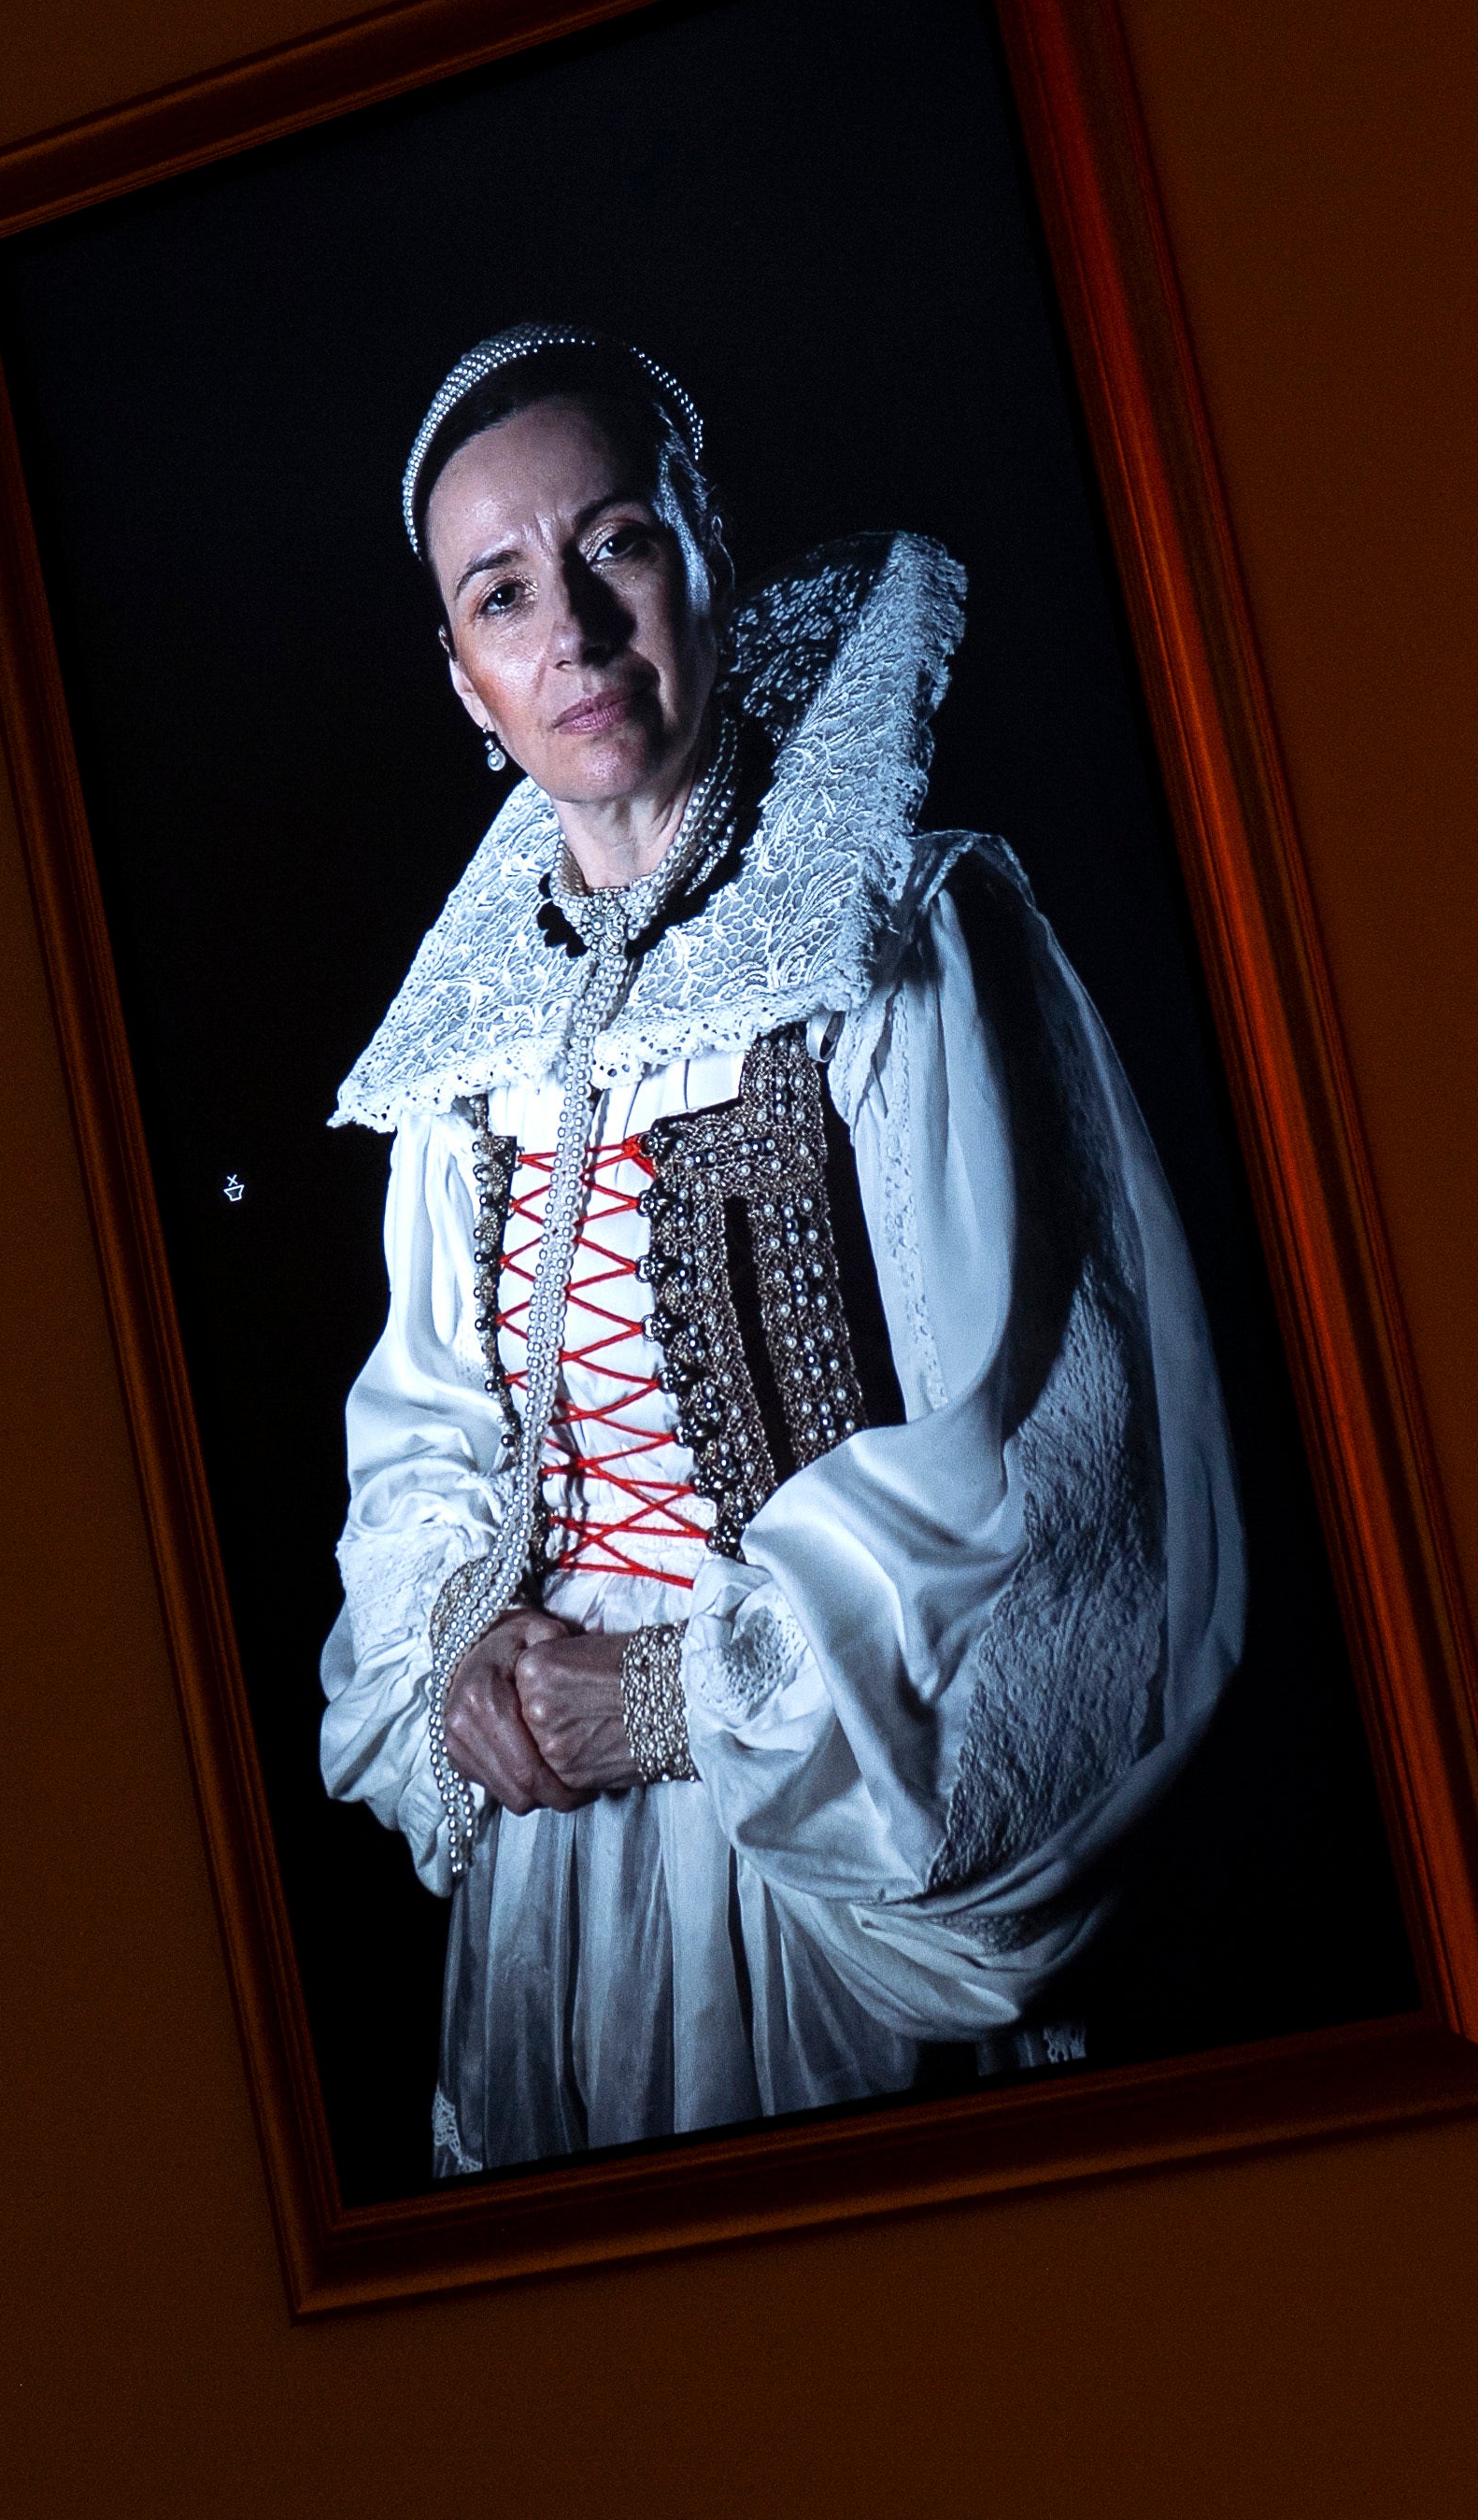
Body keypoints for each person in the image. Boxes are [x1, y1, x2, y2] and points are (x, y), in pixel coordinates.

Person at [318, 326, 1244, 2175]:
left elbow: (1019, 1451)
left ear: (708, 545)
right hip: (549, 1895)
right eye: (503, 595)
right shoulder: (468, 1065)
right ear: (462, 679)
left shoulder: (903, 940)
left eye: (616, 545)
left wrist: (670, 1697)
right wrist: (465, 1662)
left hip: (814, 1837)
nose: (570, 629)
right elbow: (420, 1427)